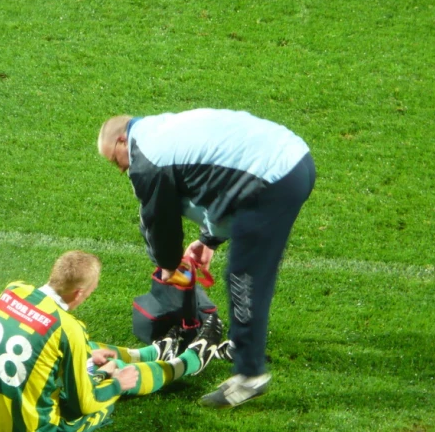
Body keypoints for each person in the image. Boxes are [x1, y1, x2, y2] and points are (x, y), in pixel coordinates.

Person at [97, 109, 316, 408]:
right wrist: (208, 240)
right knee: (252, 269)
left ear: (123, 140)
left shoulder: (147, 161)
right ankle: (244, 344)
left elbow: (160, 221)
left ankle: (249, 375)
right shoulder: (161, 127)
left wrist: (168, 265)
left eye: (114, 160)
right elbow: (215, 182)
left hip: (271, 180)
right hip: (294, 160)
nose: (121, 169)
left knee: (245, 276)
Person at [0, 250, 221, 432]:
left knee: (84, 350)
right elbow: (84, 404)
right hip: (34, 431)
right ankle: (193, 360)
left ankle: (154, 352)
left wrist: (86, 357)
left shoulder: (13, 291)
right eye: (92, 289)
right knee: (115, 375)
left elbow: (35, 339)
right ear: (79, 292)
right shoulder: (68, 327)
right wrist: (116, 384)